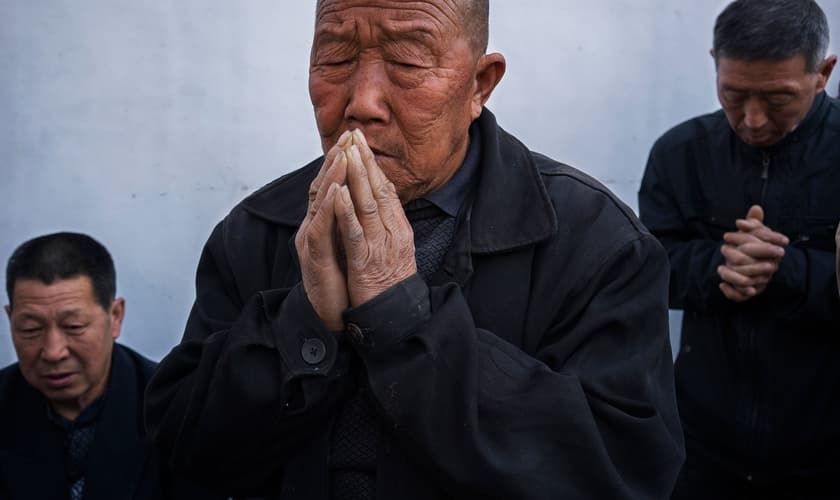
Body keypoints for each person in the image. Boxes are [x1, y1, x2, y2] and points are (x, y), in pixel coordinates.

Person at [145, 1, 684, 498]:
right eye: (335, 59)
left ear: (480, 84)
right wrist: (305, 324)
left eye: (405, 61)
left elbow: (622, 472)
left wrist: (398, 314)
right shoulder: (258, 230)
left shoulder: (595, 241)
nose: (362, 103)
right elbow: (185, 451)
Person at [638, 0, 840, 498]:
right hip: (702, 445)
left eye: (777, 98)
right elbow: (648, 272)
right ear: (715, 63)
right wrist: (721, 266)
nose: (751, 120)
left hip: (829, 449)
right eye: (734, 95)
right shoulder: (679, 153)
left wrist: (786, 270)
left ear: (824, 74)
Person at [0, 232, 216, 500]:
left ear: (115, 316)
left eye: (73, 327)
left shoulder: (174, 408)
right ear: (10, 319)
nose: (54, 352)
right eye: (31, 329)